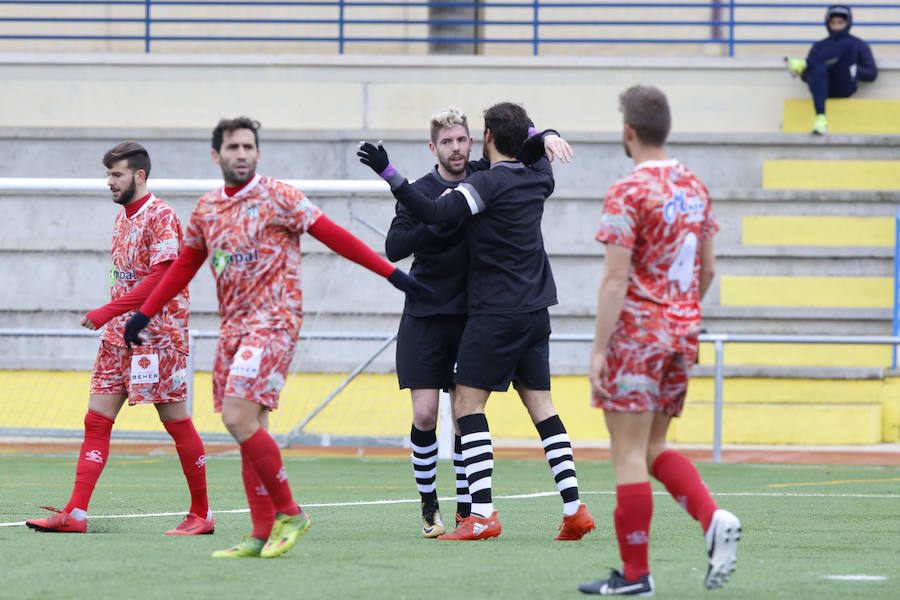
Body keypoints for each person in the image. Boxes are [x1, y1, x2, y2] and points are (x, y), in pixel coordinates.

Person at [122, 117, 427, 558]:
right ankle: (261, 532)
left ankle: (291, 511)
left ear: (258, 153)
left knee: (236, 417)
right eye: (233, 147)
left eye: (248, 146)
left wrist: (393, 275)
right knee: (251, 428)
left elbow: (335, 237)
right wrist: (145, 313)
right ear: (217, 156)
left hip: (274, 322)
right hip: (234, 329)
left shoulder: (279, 197)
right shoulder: (207, 208)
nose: (241, 153)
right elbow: (186, 264)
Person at [360, 102, 595, 542]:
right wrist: (547, 133)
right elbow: (532, 144)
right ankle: (574, 507)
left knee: (466, 406)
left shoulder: (483, 184)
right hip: (537, 308)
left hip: (494, 312)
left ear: (483, 138)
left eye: (464, 138)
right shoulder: (539, 176)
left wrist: (391, 174)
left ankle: (480, 513)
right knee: (542, 406)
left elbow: (433, 214)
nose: (457, 146)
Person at [578, 86, 740, 596]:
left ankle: (635, 575)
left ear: (628, 130)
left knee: (625, 453)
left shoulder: (629, 190)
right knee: (653, 448)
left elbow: (614, 280)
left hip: (638, 335)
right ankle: (711, 521)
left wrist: (601, 350)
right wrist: (681, 310)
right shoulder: (694, 185)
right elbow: (707, 267)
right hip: (681, 330)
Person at [26, 142, 212, 536]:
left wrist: (105, 312)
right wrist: (112, 319)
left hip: (156, 339)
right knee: (96, 420)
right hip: (116, 339)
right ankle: (75, 513)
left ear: (139, 176)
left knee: (175, 421)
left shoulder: (161, 215)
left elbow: (162, 277)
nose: (109, 182)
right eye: (108, 174)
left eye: (117, 174)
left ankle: (202, 514)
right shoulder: (122, 218)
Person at [785, 4, 877, 134]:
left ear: (848, 23)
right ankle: (821, 118)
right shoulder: (819, 46)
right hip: (823, 89)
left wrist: (855, 70)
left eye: (840, 23)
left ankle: (804, 63)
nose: (837, 26)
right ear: (828, 24)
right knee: (818, 68)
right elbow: (807, 77)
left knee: (846, 44)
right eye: (833, 23)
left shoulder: (857, 44)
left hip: (845, 85)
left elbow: (872, 74)